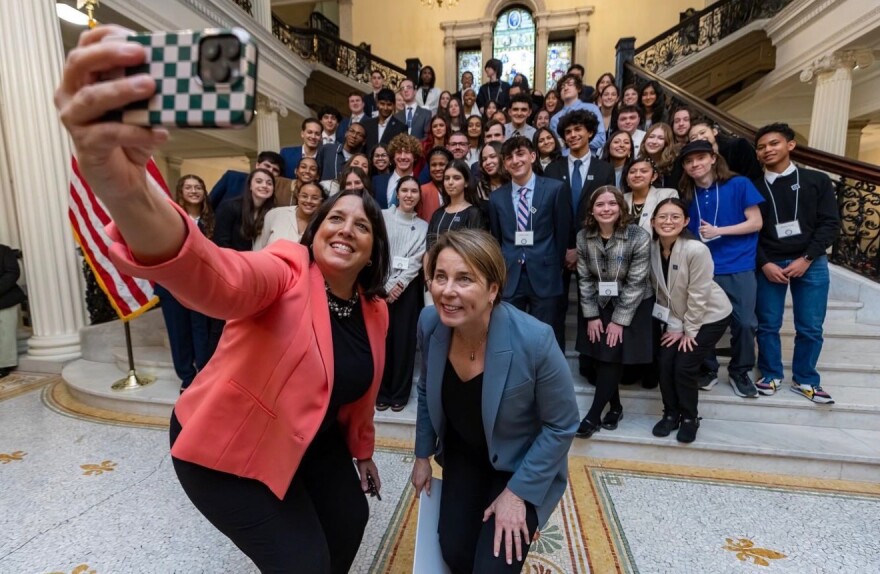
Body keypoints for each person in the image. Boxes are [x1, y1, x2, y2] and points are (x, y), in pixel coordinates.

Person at [55, 27, 392, 571]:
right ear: (314, 230)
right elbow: (217, 275)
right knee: (303, 562)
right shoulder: (286, 268)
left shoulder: (374, 309)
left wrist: (363, 450)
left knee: (351, 519)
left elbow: (357, 394)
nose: (346, 228)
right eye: (335, 217)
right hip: (224, 444)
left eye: (362, 224)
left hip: (307, 436)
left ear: (375, 248)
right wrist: (124, 190)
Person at [411, 229, 579, 574]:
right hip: (464, 457)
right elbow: (427, 390)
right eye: (440, 277)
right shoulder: (430, 324)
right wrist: (422, 455)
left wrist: (518, 494)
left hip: (519, 464)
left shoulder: (534, 340)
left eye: (464, 279)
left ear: (492, 290)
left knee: (494, 566)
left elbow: (562, 424)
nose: (447, 290)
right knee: (455, 554)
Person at [753, 123, 840, 404]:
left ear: (790, 145)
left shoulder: (816, 180)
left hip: (811, 261)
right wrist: (764, 263)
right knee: (767, 324)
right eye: (762, 146)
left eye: (774, 143)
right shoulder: (754, 186)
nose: (768, 150)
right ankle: (770, 373)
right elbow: (750, 231)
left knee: (811, 326)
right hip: (770, 262)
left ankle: (805, 379)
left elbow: (830, 224)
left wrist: (807, 258)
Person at [678, 139, 764, 398]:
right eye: (689, 161)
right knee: (703, 321)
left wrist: (719, 231)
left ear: (713, 158)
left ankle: (740, 370)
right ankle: (708, 369)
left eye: (700, 158)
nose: (695, 165)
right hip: (703, 267)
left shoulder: (739, 184)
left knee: (746, 323)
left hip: (738, 263)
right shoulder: (687, 194)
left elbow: (756, 222)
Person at [649, 198, 732, 442]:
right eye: (662, 216)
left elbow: (699, 294)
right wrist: (674, 326)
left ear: (685, 221)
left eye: (675, 217)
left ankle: (689, 417)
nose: (668, 221)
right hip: (678, 316)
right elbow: (663, 291)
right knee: (664, 362)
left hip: (709, 316)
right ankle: (670, 414)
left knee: (684, 365)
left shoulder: (696, 249)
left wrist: (688, 331)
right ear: (653, 222)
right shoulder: (653, 248)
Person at [574, 186, 653, 438]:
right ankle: (616, 407)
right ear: (592, 210)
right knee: (601, 357)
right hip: (599, 302)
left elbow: (637, 282)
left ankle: (593, 415)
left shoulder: (638, 236)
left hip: (633, 303)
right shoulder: (583, 236)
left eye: (611, 204)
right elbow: (584, 278)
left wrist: (618, 321)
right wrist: (592, 315)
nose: (606, 209)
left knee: (609, 356)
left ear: (621, 208)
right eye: (600, 204)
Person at [488, 136, 571, 341]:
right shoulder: (497, 198)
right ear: (504, 164)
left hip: (545, 273)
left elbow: (562, 233)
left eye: (520, 154)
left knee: (546, 335)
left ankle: (546, 375)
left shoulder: (555, 189)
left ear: (532, 156)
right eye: (509, 158)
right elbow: (498, 239)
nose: (515, 161)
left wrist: (555, 264)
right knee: (509, 335)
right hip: (511, 275)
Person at [155, 175, 217, 391]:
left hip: (201, 286)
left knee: (201, 330)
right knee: (178, 332)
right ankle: (187, 378)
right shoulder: (169, 219)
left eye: (198, 187)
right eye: (188, 187)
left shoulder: (212, 221)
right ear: (180, 192)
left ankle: (203, 373)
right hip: (172, 286)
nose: (194, 191)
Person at [377, 177, 428, 411]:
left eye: (413, 191)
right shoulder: (382, 217)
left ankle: (399, 393)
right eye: (404, 190)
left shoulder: (424, 226)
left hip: (406, 292)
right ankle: (382, 392)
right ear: (397, 194)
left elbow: (417, 260)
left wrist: (399, 284)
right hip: (379, 288)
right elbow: (376, 250)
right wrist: (386, 284)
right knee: (381, 341)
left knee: (404, 342)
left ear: (419, 196)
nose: (409, 195)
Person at [426, 160, 486, 250]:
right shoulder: (438, 214)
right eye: (447, 178)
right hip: (436, 263)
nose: (450, 182)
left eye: (456, 178)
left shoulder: (474, 213)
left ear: (466, 183)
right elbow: (429, 249)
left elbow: (475, 251)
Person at [214, 168, 275, 252]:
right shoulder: (229, 207)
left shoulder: (273, 213)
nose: (264, 186)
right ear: (250, 186)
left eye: (269, 183)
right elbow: (221, 242)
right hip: (230, 260)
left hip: (257, 261)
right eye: (259, 181)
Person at [254, 182, 326, 249]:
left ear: (322, 201)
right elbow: (259, 247)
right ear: (298, 197)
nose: (309, 201)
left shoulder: (323, 224)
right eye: (304, 196)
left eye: (315, 198)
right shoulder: (275, 214)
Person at [688, 117, 763, 181]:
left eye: (702, 133)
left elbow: (754, 174)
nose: (699, 138)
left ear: (714, 132)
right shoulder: (697, 163)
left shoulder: (738, 145)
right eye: (693, 138)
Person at [549, 73, 606, 155]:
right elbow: (558, 146)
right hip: (565, 160)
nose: (565, 88)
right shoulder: (555, 119)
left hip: (589, 159)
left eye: (570, 84)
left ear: (578, 88)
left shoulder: (592, 109)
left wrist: (579, 144)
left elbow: (601, 139)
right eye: (562, 87)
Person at [209, 151, 284, 210]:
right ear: (257, 165)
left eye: (275, 170)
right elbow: (209, 202)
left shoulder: (272, 193)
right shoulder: (232, 177)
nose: (270, 170)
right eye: (267, 166)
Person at [623, 157, 678, 235]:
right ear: (627, 179)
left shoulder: (667, 195)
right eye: (632, 172)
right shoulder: (621, 199)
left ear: (654, 176)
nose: (637, 175)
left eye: (644, 171)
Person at [372, 133, 422, 209]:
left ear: (414, 156)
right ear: (393, 156)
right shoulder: (377, 181)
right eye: (399, 152)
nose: (402, 157)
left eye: (407, 152)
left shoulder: (421, 184)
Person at [316, 122, 367, 194]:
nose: (354, 136)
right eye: (352, 131)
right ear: (346, 133)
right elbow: (316, 174)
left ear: (364, 141)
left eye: (359, 134)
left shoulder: (361, 161)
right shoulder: (328, 149)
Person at [0, 243, 25, 378]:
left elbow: (12, 273)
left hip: (6, 299)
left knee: (5, 333)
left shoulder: (4, 250)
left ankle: (4, 365)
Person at [362, 88, 408, 153]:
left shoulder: (401, 128)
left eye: (389, 104)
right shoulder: (366, 125)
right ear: (377, 103)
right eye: (382, 104)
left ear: (394, 105)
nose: (385, 108)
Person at [638, 122, 678, 187]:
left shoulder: (675, 164)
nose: (654, 141)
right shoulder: (639, 163)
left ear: (667, 143)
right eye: (651, 137)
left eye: (660, 138)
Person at [419, 147, 452, 221]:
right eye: (433, 165)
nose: (437, 168)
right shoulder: (422, 191)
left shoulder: (457, 189)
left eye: (442, 164)